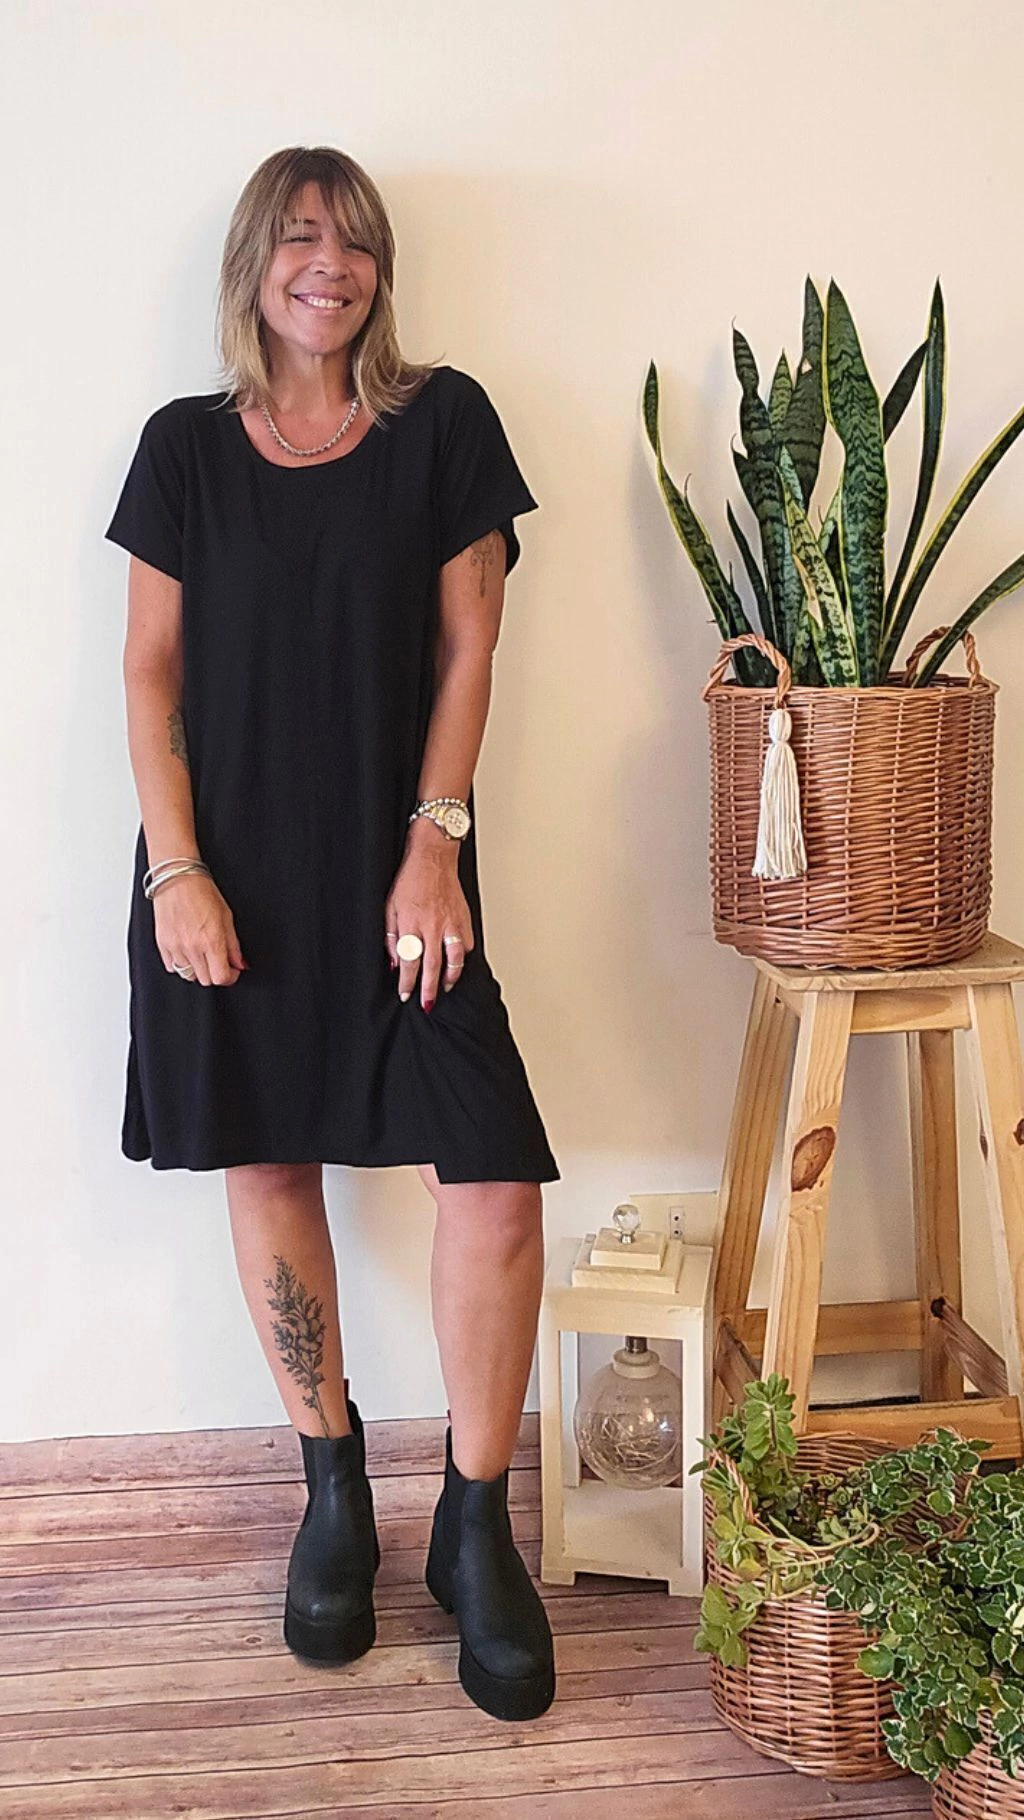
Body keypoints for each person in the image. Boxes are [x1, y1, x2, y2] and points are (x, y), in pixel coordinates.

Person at [104, 145, 559, 1722]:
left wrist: (435, 848)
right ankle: (332, 1486)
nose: (331, 264)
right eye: (300, 236)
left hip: (400, 875)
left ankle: (477, 1527)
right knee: (269, 1164)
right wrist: (177, 871)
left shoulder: (443, 424)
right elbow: (148, 671)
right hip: (226, 875)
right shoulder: (183, 449)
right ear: (255, 262)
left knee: (491, 1181)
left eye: (355, 240)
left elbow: (473, 644)